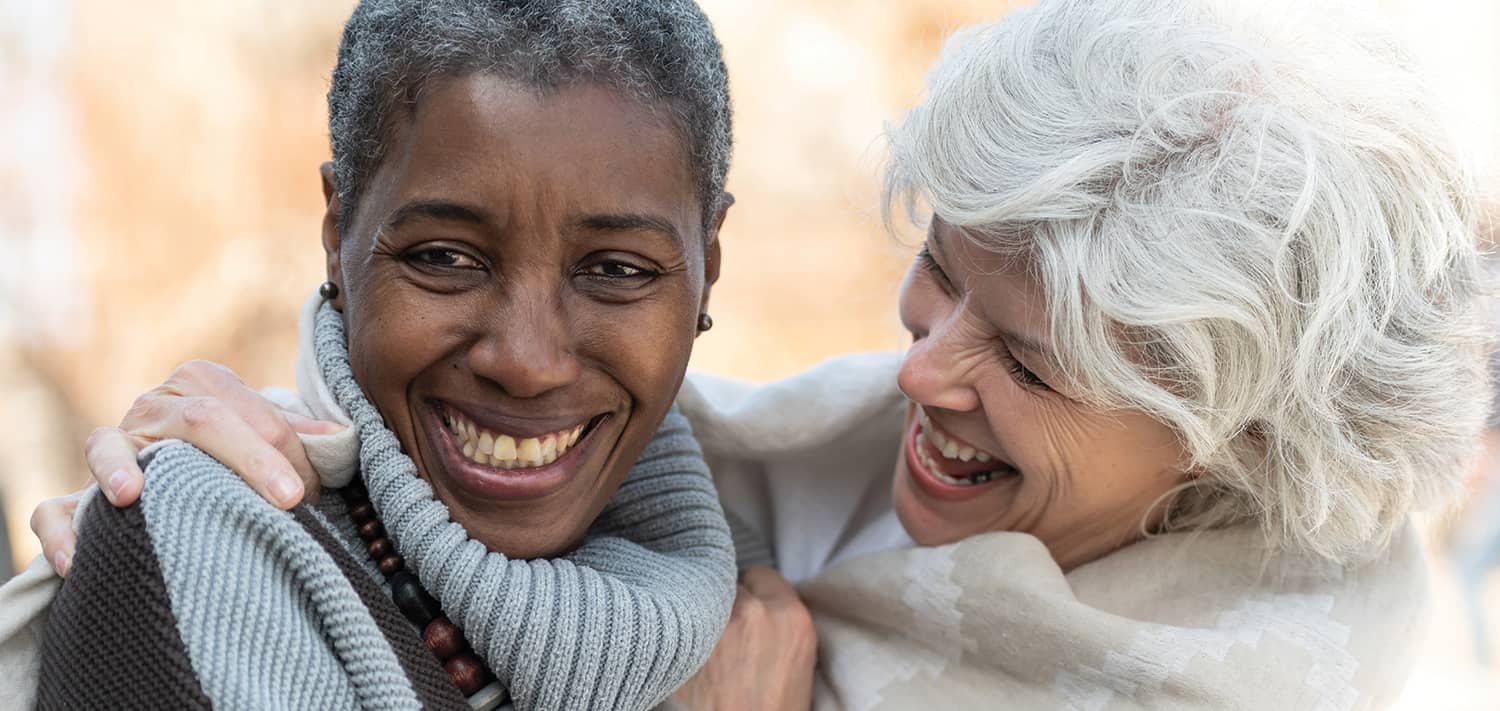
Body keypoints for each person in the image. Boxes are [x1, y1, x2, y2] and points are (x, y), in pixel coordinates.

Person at [26, 0, 1492, 707]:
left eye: (1031, 363)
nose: (922, 369)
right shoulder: (778, 468)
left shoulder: (1329, 680)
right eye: (939, 273)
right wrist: (226, 504)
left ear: (1236, 438)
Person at [0, 1, 773, 709]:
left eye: (615, 270)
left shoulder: (793, 541)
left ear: (709, 265)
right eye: (444, 257)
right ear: (339, 236)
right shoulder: (206, 554)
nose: (528, 360)